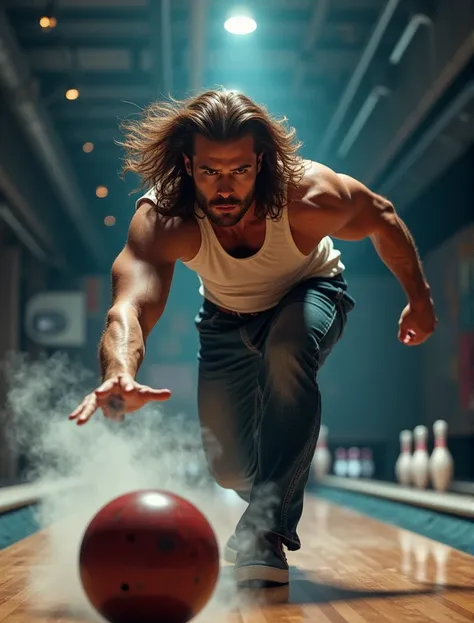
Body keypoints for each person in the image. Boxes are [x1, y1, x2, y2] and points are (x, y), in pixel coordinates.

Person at [69, 89, 437, 585]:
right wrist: (119, 371)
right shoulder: (166, 217)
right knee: (230, 471)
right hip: (225, 318)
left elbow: (383, 217)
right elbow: (129, 307)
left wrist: (420, 298)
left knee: (288, 350)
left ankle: (265, 533)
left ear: (259, 162)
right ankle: (262, 505)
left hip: (310, 292)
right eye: (210, 171)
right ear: (187, 164)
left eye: (239, 170)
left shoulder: (307, 195)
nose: (225, 187)